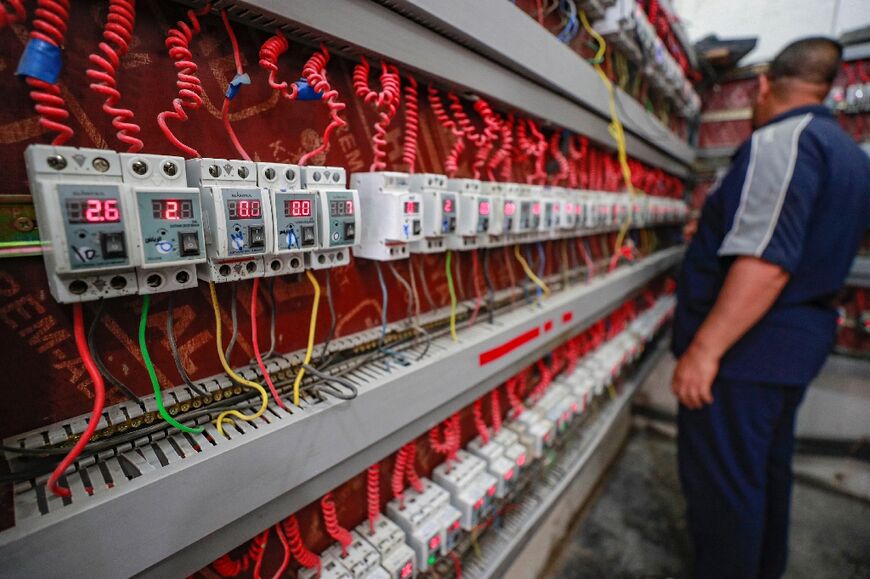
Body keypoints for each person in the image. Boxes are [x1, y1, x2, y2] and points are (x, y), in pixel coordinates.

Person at [671, 37, 870, 579]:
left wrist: (705, 352)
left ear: (762, 86)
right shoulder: (850, 153)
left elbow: (766, 262)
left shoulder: (782, 139)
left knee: (723, 490)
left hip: (746, 352)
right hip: (795, 344)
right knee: (763, 471)